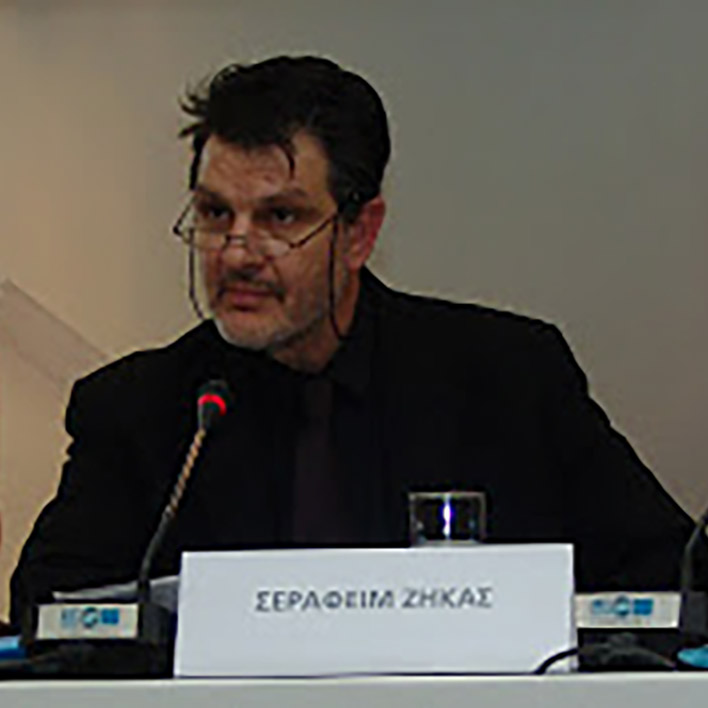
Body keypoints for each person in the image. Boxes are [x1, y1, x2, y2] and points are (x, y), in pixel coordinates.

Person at [9, 55, 703, 627]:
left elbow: (670, 578)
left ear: (360, 234)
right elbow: (48, 611)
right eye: (215, 214)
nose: (236, 252)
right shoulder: (140, 410)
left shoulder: (507, 379)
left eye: (281, 217)